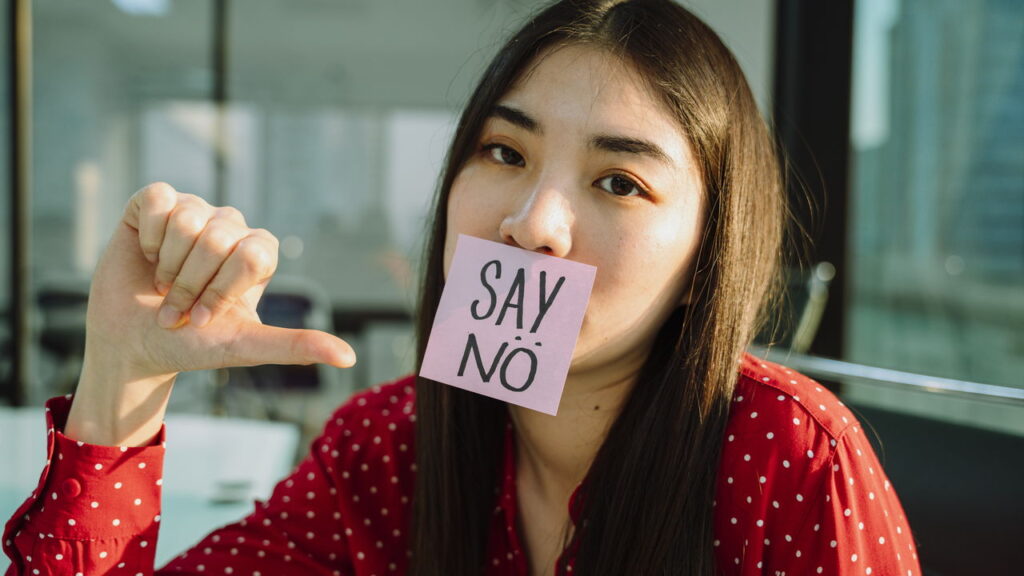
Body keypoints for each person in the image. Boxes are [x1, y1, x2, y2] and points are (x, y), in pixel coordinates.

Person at [3, 1, 921, 575]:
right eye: (504, 152)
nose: (533, 223)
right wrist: (120, 381)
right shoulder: (385, 448)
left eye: (619, 182)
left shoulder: (793, 464)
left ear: (703, 262)